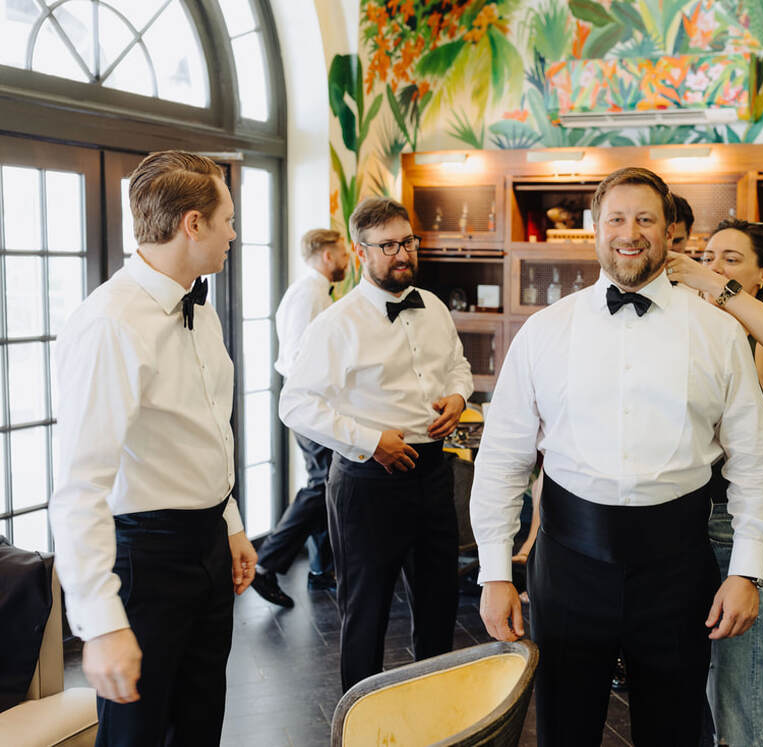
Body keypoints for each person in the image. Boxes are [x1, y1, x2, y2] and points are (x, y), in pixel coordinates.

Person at [470, 167, 763, 745]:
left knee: (675, 731)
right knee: (564, 730)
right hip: (568, 564)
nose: (629, 232)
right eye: (616, 218)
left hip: (678, 566)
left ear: (669, 234)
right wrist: (494, 572)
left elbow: (756, 465)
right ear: (594, 230)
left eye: (645, 219)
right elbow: (502, 461)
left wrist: (747, 569)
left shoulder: (720, 333)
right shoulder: (543, 333)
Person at [49, 150, 257, 746]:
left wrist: (232, 524)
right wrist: (101, 625)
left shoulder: (202, 308)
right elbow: (80, 488)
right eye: (228, 221)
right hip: (146, 560)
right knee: (137, 737)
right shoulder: (110, 323)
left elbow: (210, 427)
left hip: (209, 548)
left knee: (197, 729)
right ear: (192, 224)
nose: (234, 235)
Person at [278, 196, 473, 690]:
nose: (402, 253)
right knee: (366, 613)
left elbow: (458, 366)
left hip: (433, 474)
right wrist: (369, 441)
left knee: (438, 608)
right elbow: (295, 404)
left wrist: (457, 395)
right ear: (360, 252)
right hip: (368, 482)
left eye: (407, 242)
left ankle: (435, 721)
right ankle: (358, 727)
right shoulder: (335, 323)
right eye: (388, 246)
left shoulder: (432, 307)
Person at [666, 218, 763, 746]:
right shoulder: (690, 332)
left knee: (737, 682)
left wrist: (713, 287)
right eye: (708, 256)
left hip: (734, 524)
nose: (714, 266)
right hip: (673, 518)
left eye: (731, 258)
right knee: (680, 671)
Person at [251, 228, 351, 607]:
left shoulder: (315, 292)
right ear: (328, 256)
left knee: (326, 483)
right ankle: (266, 565)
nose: (346, 260)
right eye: (342, 253)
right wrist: (319, 403)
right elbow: (295, 358)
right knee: (323, 483)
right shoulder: (308, 295)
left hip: (317, 401)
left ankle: (319, 569)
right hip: (309, 403)